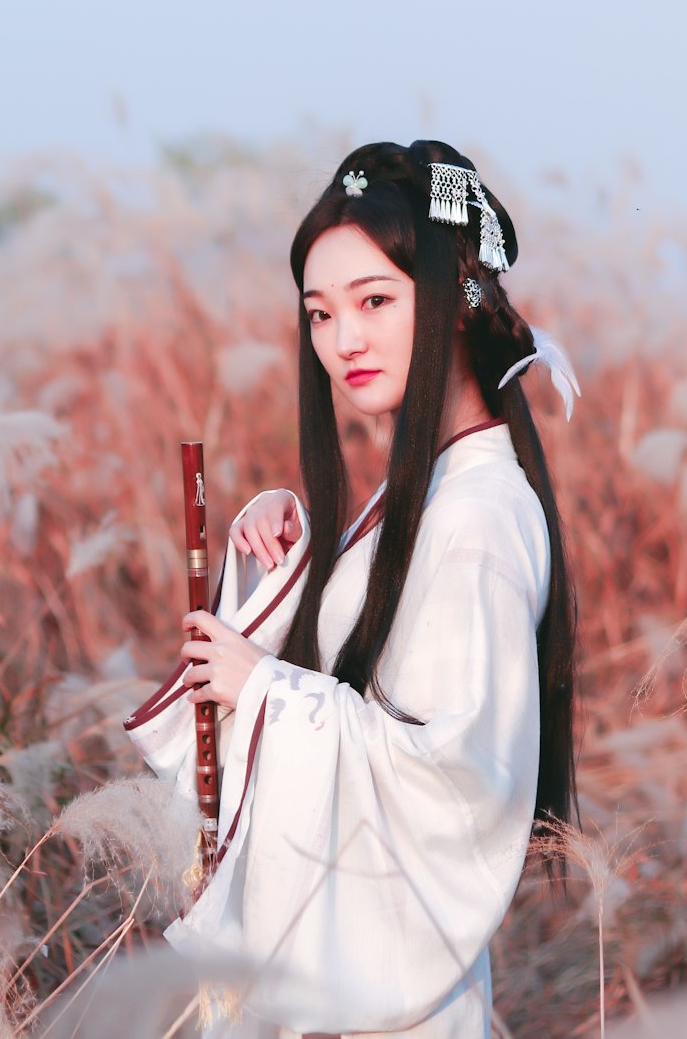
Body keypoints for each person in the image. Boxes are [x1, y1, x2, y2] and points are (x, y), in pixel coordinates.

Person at [125, 139, 580, 1039]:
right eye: (321, 313)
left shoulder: (477, 517)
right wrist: (286, 560)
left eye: (375, 301)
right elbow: (356, 676)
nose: (344, 340)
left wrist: (259, 684)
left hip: (390, 1007)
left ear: (454, 299)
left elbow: (453, 780)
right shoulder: (430, 488)